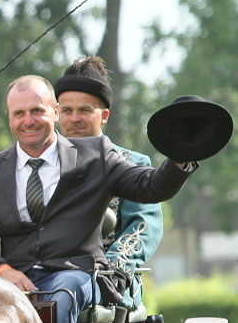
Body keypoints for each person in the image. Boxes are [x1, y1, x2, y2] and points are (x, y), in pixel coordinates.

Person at [0, 76, 197, 323]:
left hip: (75, 275)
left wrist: (183, 153)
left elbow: (151, 187)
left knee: (60, 294)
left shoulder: (95, 155)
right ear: (10, 118)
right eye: (19, 113)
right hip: (12, 280)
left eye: (37, 111)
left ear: (54, 111)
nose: (29, 121)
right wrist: (3, 271)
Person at [54, 55, 163, 308]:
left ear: (103, 115)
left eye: (85, 110)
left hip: (109, 287)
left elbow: (142, 226)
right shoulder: (39, 165)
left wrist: (110, 270)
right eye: (67, 111)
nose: (75, 119)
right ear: (57, 114)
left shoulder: (132, 163)